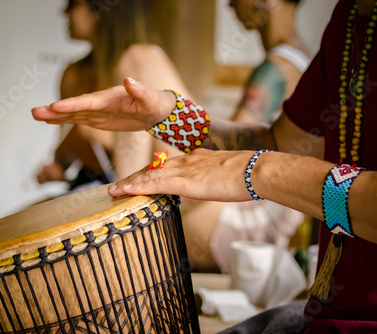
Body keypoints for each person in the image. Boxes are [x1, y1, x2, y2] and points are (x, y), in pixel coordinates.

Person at [32, 0, 377, 331]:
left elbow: (269, 159)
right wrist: (169, 117)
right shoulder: (348, 18)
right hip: (329, 314)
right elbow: (281, 143)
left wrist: (258, 170)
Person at [182, 0, 311, 272]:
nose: (230, 4)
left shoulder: (277, 69)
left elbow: (228, 156)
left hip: (252, 219)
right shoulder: (301, 58)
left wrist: (167, 118)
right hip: (274, 211)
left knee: (142, 58)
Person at [36, 0, 187, 192]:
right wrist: (59, 166)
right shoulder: (73, 74)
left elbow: (172, 156)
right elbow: (68, 141)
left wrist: (103, 136)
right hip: (93, 183)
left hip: (147, 189)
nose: (63, 11)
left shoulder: (143, 60)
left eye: (73, 3)